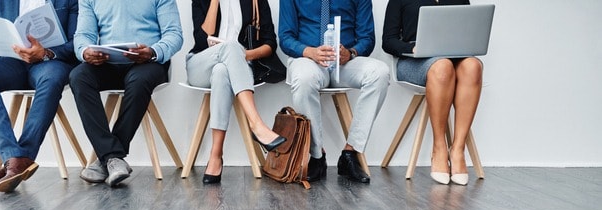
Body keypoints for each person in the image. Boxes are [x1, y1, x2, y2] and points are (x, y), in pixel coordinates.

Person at [70, 0, 183, 187]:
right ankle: (113, 157)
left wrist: (153, 51)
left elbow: (174, 34)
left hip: (148, 62)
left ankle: (108, 157)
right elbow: (84, 35)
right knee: (78, 76)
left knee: (138, 81)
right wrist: (85, 51)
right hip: (107, 63)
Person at [0, 0, 79, 193]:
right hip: (14, 61)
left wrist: (45, 53)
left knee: (51, 79)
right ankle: (14, 156)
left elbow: (77, 42)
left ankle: (20, 160)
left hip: (50, 61)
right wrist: (7, 46)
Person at [279, 0, 390, 184]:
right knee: (304, 79)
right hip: (308, 59)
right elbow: (285, 37)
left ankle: (351, 152)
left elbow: (367, 38)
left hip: (344, 62)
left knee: (379, 73)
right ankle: (316, 155)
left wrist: (352, 53)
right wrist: (309, 51)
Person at [382, 0, 482, 185]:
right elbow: (388, 41)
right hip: (414, 61)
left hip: (454, 57)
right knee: (442, 66)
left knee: (473, 66)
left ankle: (458, 149)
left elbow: (466, 34)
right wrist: (412, 48)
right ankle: (439, 148)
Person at [186, 0, 287, 184]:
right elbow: (202, 40)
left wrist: (243, 55)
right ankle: (257, 125)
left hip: (236, 67)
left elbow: (270, 43)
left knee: (221, 71)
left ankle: (215, 156)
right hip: (200, 64)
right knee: (230, 48)